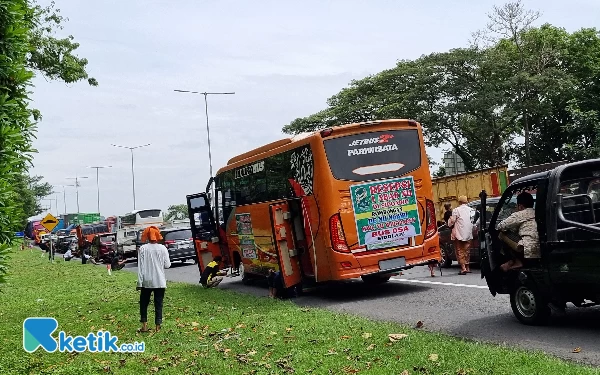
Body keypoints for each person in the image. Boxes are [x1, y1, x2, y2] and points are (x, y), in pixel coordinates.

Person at [137, 226, 171, 332]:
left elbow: (140, 267)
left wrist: (139, 283)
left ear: (147, 236)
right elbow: (167, 265)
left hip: (146, 281)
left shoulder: (143, 249)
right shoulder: (163, 248)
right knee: (158, 303)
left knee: (144, 303)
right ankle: (158, 327)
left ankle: (144, 326)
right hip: (160, 281)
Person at [496, 192, 540, 272]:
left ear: (520, 206)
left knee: (502, 234)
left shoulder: (519, 214)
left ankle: (513, 260)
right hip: (539, 247)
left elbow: (500, 226)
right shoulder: (537, 213)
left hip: (527, 248)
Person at [448, 195, 473, 275]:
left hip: (459, 234)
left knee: (460, 251)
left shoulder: (456, 210)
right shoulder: (471, 210)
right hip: (469, 233)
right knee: (467, 251)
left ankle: (463, 268)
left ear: (459, 202)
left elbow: (452, 221)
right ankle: (468, 267)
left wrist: (449, 222)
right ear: (466, 201)